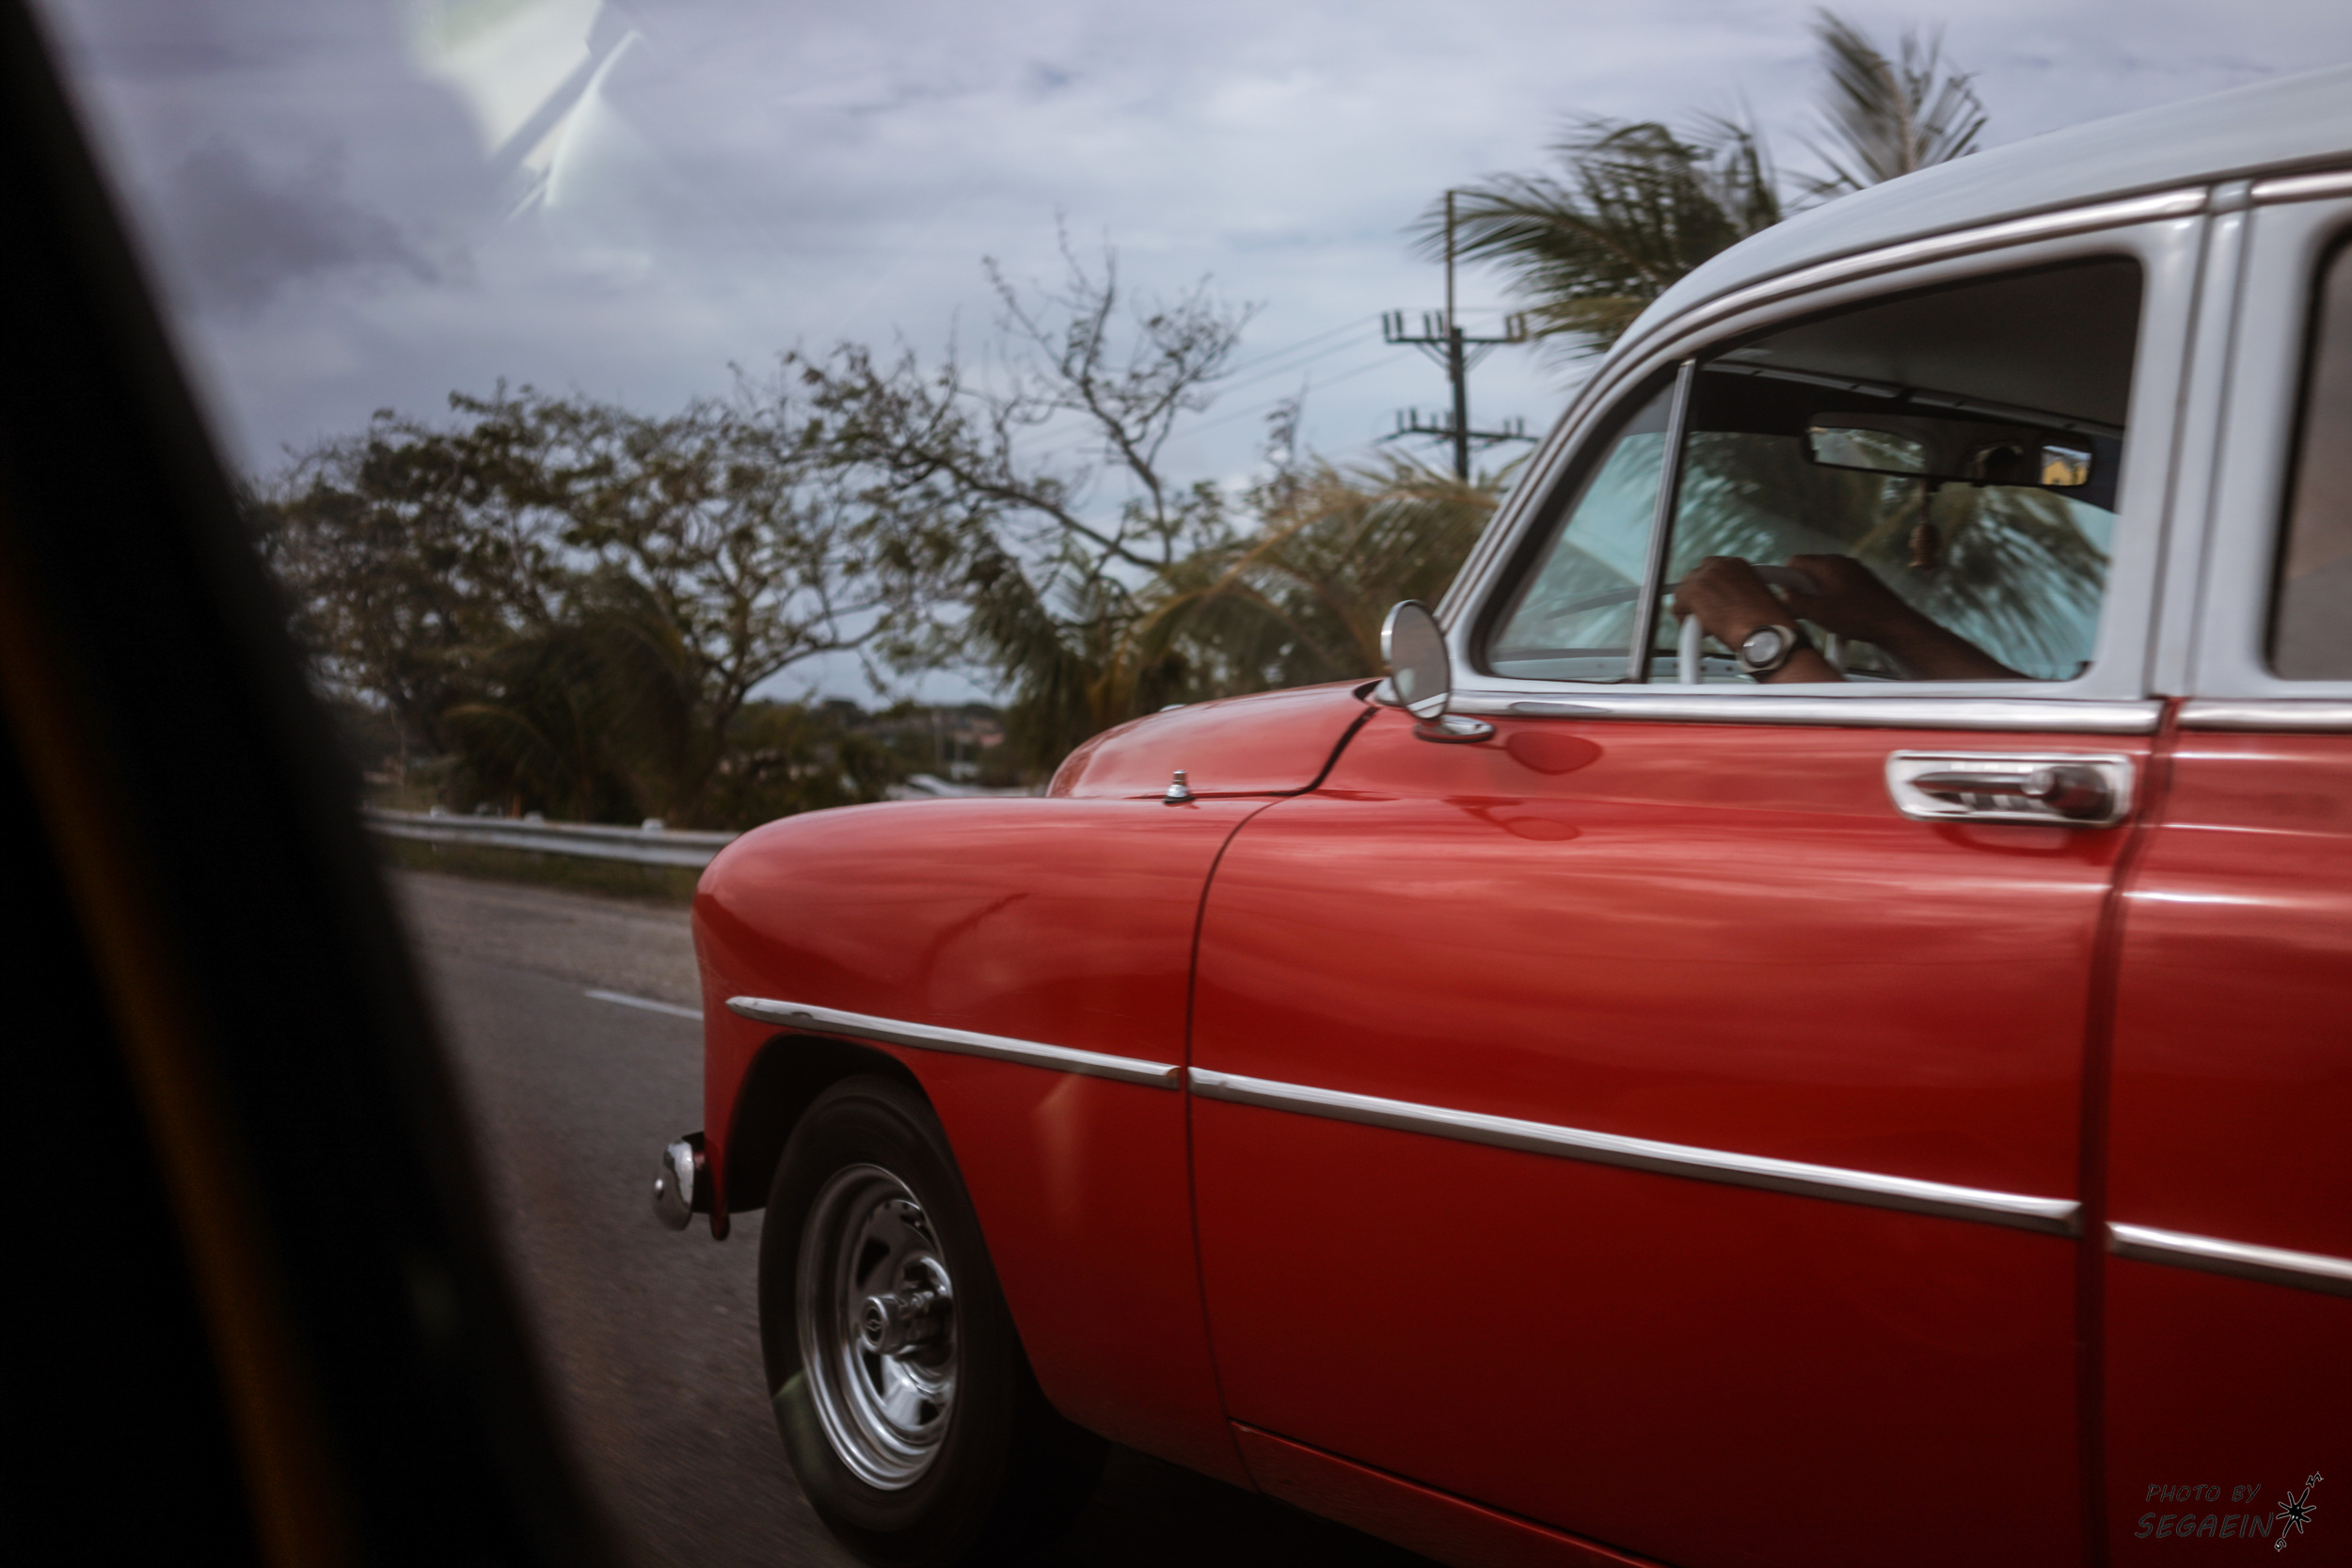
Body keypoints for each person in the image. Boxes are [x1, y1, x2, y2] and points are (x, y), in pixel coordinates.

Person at [1673, 553, 2022, 683]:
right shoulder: (2050, 707)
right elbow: (2011, 708)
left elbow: (1854, 751)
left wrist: (1755, 631)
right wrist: (1888, 621)